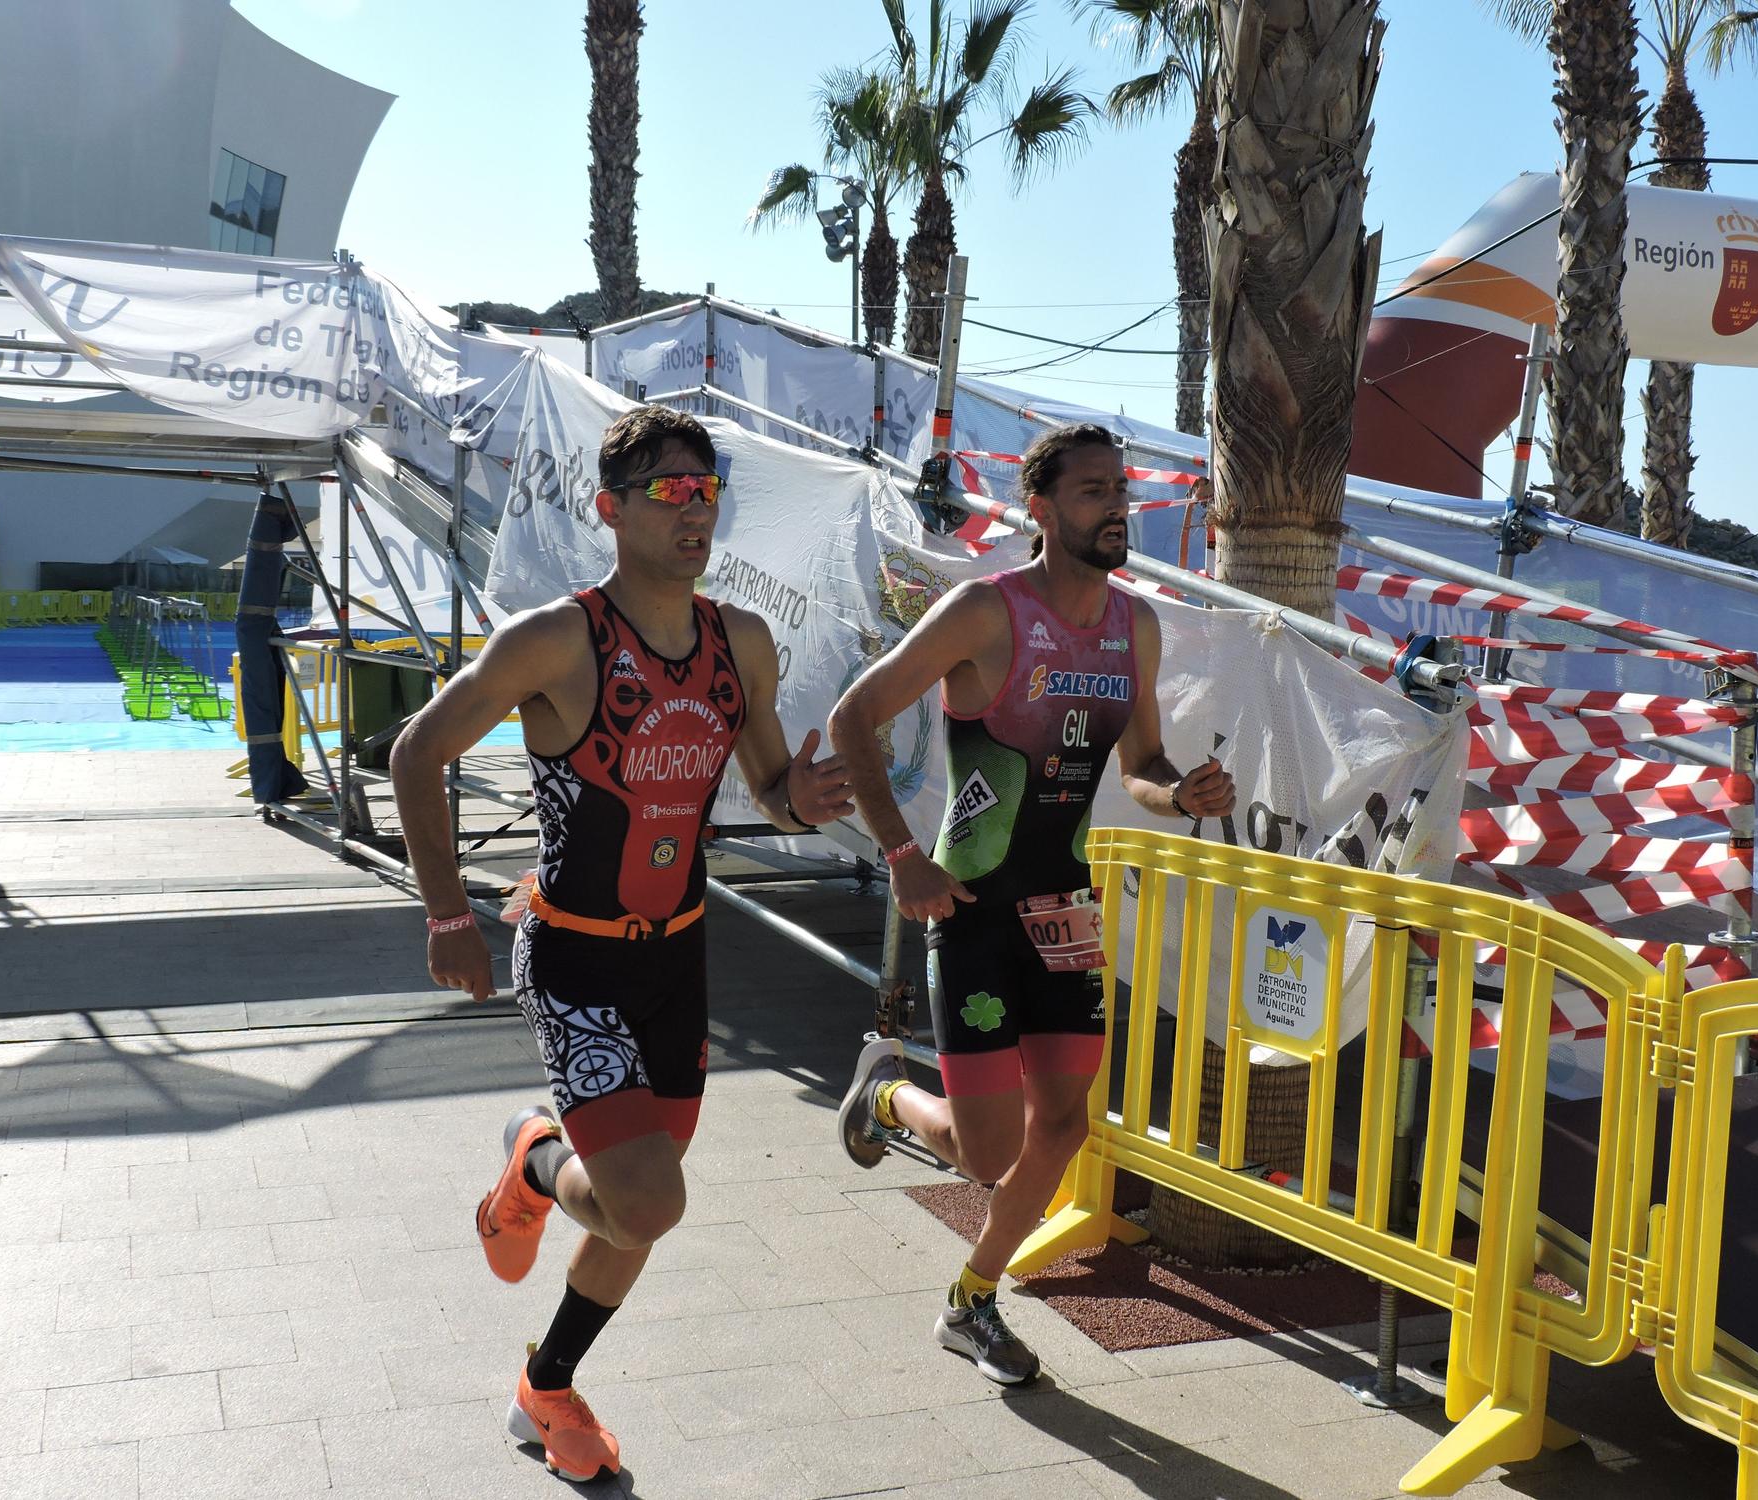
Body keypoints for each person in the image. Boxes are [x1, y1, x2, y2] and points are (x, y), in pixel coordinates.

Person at [391, 405, 851, 1481]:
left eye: (705, 490)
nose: (694, 510)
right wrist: (448, 913)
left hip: (675, 963)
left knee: (636, 1214)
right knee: (645, 1197)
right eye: (668, 491)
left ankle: (544, 1388)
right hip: (573, 962)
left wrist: (804, 799)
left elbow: (772, 786)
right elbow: (419, 750)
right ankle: (532, 1157)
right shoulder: (556, 638)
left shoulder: (742, 640)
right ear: (610, 510)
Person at [828, 422, 1235, 1385]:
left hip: (1064, 905)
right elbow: (855, 717)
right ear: (1042, 508)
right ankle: (885, 1092)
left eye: (1121, 489)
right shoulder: (985, 609)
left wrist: (1181, 794)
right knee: (985, 1154)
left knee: (1063, 1124)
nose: (1118, 508)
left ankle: (973, 1301)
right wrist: (899, 854)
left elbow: (1139, 764)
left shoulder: (1136, 623)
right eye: (1094, 491)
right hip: (969, 901)